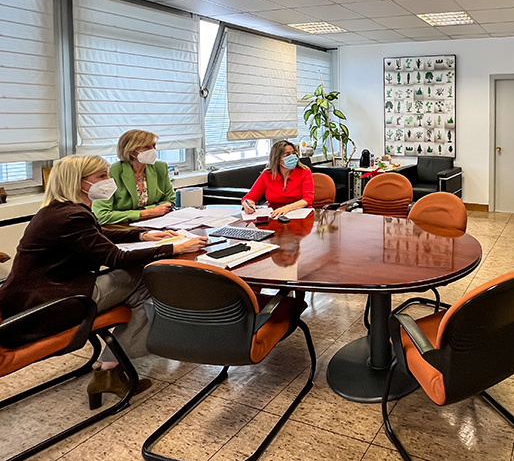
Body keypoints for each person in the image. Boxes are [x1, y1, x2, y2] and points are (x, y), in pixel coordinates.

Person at [0, 155, 207, 406]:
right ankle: (113, 366)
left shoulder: (58, 210)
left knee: (139, 290)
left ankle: (112, 367)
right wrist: (174, 248)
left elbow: (95, 234)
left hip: (27, 301)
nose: (109, 180)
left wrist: (142, 236)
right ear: (78, 182)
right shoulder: (71, 216)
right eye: (101, 176)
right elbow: (116, 258)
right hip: (49, 308)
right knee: (146, 278)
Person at [93, 130, 176, 225]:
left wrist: (148, 211)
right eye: (147, 147)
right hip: (121, 227)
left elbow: (170, 200)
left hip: (155, 222)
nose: (153, 150)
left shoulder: (160, 167)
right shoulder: (111, 172)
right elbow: (101, 215)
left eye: (154, 146)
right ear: (131, 150)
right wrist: (145, 213)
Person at [242, 140, 314, 217]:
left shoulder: (304, 171)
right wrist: (248, 204)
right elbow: (249, 197)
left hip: (301, 214)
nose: (293, 157)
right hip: (274, 215)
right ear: (277, 159)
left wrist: (286, 208)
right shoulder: (267, 174)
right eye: (287, 155)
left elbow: (307, 199)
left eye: (294, 153)